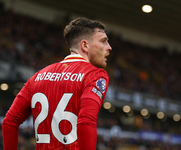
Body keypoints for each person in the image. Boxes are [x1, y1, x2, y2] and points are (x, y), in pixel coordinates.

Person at [2, 17, 112, 150]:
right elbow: (86, 121)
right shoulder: (94, 75)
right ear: (85, 46)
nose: (109, 47)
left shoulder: (37, 76)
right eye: (104, 41)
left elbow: (9, 121)